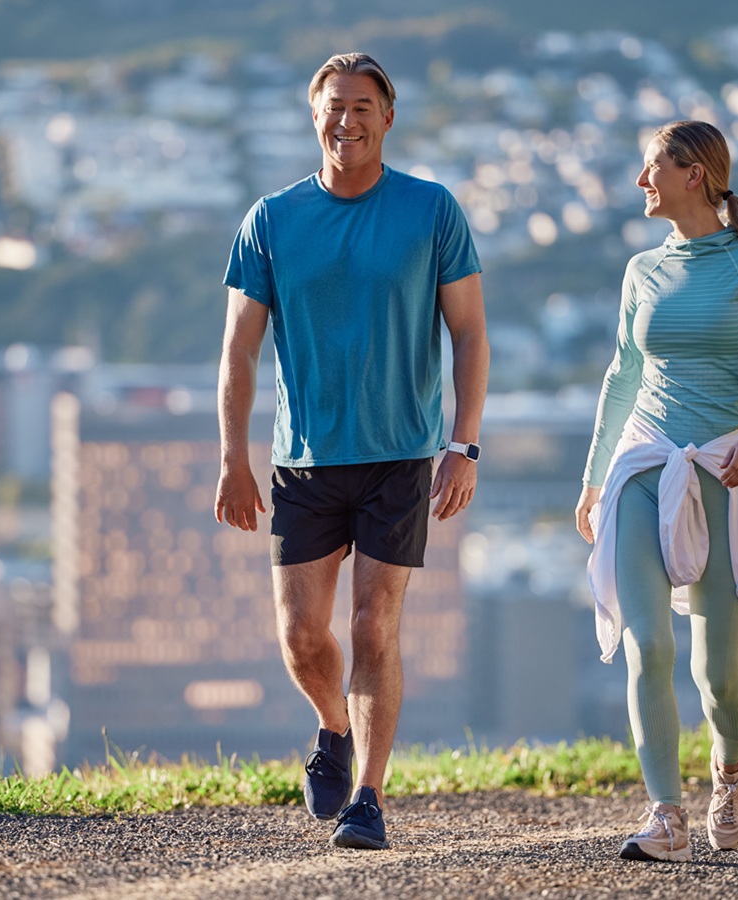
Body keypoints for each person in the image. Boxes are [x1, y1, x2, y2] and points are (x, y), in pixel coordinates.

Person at [216, 52, 489, 851]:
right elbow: (238, 349)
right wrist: (233, 456)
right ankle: (333, 726)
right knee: (302, 636)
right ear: (314, 116)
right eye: (335, 106)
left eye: (363, 105)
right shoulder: (271, 219)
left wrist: (463, 443)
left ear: (388, 117)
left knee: (374, 628)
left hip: (400, 454)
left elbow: (469, 333)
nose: (348, 119)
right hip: (303, 457)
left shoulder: (432, 210)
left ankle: (368, 795)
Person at [574, 120, 738, 862]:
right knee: (649, 646)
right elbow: (621, 375)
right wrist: (594, 477)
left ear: (692, 173)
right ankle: (665, 814)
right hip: (643, 467)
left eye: (651, 169)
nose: (642, 183)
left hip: (722, 470)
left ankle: (730, 773)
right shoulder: (642, 270)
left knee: (718, 674)